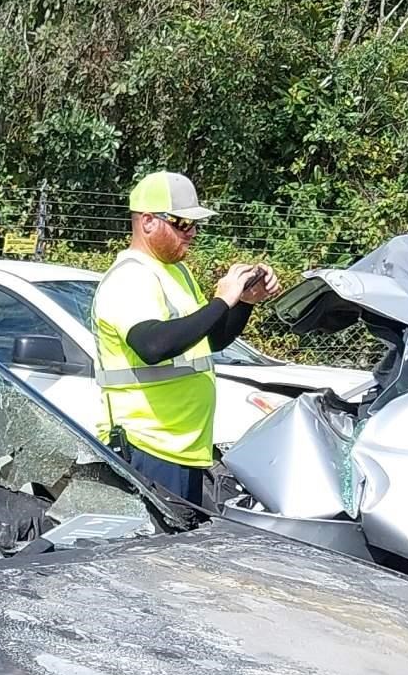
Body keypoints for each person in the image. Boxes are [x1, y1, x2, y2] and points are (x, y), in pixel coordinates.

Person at [91, 170, 281, 504]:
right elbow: (153, 346)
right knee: (153, 554)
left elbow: (209, 340)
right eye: (181, 224)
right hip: (147, 445)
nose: (191, 233)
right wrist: (222, 300)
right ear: (148, 221)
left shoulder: (177, 272)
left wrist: (243, 303)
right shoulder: (130, 276)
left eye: (196, 225)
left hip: (183, 446)